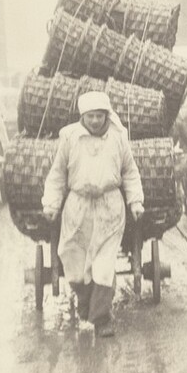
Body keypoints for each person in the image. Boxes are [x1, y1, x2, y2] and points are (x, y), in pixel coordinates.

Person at [42, 91, 144, 337]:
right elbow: (57, 175)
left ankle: (101, 319)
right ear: (82, 117)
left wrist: (136, 201)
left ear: (107, 115)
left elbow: (130, 172)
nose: (96, 121)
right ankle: (86, 302)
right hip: (78, 209)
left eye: (100, 116)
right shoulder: (69, 138)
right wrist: (52, 204)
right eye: (91, 116)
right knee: (74, 264)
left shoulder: (118, 138)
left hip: (110, 208)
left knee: (103, 266)